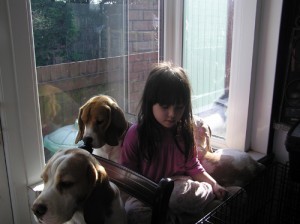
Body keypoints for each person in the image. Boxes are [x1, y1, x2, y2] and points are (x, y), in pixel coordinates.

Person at [121, 62, 228, 224]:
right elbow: (128, 173)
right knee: (132, 211)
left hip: (177, 186)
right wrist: (151, 196)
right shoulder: (136, 134)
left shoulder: (184, 133)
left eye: (179, 108)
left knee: (176, 198)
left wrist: (213, 185)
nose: (172, 114)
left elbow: (193, 166)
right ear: (150, 103)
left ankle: (206, 193)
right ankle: (175, 217)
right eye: (165, 107)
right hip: (147, 190)